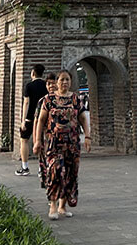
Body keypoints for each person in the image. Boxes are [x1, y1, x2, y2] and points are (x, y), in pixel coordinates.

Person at [34, 70, 91, 219]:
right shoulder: (48, 100)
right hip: (53, 143)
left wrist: (88, 136)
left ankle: (62, 206)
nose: (64, 83)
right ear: (57, 82)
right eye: (62, 80)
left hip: (72, 143)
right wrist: (37, 141)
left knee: (70, 173)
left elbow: (83, 118)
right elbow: (40, 121)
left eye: (67, 80)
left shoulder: (75, 99)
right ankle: (52, 205)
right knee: (55, 171)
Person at [17, 64, 48, 176]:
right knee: (41, 142)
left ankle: (25, 167)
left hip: (30, 117)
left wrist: (23, 120)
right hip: (43, 117)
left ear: (33, 73)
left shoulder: (29, 86)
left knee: (24, 140)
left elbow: (26, 103)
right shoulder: (46, 85)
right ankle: (41, 168)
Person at [34, 72, 58, 189]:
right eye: (48, 84)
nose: (51, 86)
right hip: (46, 140)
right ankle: (51, 192)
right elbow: (38, 121)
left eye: (53, 83)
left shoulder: (67, 100)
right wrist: (36, 140)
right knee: (46, 167)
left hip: (61, 141)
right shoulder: (43, 101)